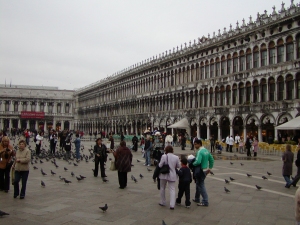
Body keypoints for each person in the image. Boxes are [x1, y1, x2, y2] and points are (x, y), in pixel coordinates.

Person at [192, 139, 214, 206]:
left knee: (201, 185)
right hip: (205, 170)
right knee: (198, 183)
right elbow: (211, 160)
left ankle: (205, 200)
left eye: (195, 144)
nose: (194, 146)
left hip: (200, 170)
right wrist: (210, 168)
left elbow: (198, 161)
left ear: (199, 144)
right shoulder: (206, 151)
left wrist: (192, 163)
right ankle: (197, 198)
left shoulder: (200, 152)